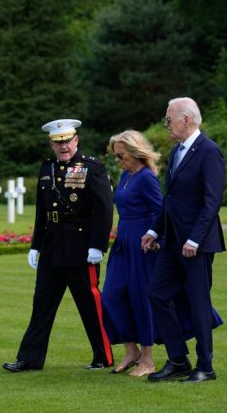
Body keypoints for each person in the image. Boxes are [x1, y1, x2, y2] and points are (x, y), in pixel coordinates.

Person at [3, 119, 114, 373]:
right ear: (51, 144)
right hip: (52, 247)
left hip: (81, 248)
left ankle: (103, 356)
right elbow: (42, 211)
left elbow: (104, 209)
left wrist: (97, 245)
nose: (63, 146)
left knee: (89, 305)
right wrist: (35, 245)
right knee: (41, 304)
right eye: (58, 142)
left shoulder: (92, 167)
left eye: (67, 140)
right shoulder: (47, 169)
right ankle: (30, 359)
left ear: (76, 140)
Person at [142, 97, 226, 383]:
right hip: (172, 242)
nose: (166, 124)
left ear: (186, 119)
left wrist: (195, 240)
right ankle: (178, 360)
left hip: (195, 245)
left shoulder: (209, 151)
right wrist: (155, 231)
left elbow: (212, 201)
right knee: (157, 293)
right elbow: (171, 200)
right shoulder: (177, 152)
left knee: (198, 301)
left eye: (169, 119)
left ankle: (206, 367)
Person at [101, 130, 162, 377]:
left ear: (136, 152)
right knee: (112, 296)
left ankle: (147, 359)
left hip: (141, 244)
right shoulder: (126, 175)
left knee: (140, 298)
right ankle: (131, 351)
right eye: (115, 156)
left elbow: (160, 210)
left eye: (121, 156)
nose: (118, 161)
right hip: (123, 242)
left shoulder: (146, 177)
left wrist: (154, 236)